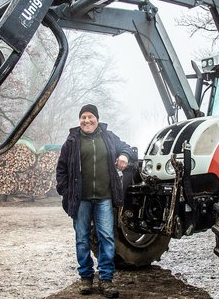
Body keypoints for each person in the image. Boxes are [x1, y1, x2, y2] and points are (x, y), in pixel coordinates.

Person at [56, 104, 135, 298]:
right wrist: (66, 191)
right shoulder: (72, 141)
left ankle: (106, 279)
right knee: (82, 239)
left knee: (106, 237)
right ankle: (86, 277)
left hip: (104, 198)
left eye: (90, 116)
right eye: (83, 117)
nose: (87, 120)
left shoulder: (108, 137)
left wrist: (124, 155)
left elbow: (126, 148)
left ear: (97, 119)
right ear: (79, 120)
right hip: (80, 200)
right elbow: (62, 170)